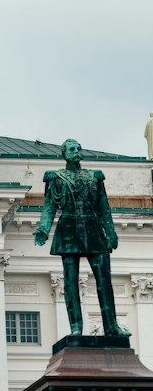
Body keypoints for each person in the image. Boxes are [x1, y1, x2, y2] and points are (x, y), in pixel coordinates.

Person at [34, 138, 130, 338]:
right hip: (68, 229)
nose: (76, 151)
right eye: (71, 149)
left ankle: (111, 326)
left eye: (78, 148)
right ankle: (76, 327)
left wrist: (111, 233)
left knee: (104, 281)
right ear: (65, 154)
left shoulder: (94, 177)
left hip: (93, 228)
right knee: (70, 282)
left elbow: (104, 208)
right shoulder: (56, 178)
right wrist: (43, 229)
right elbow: (49, 206)